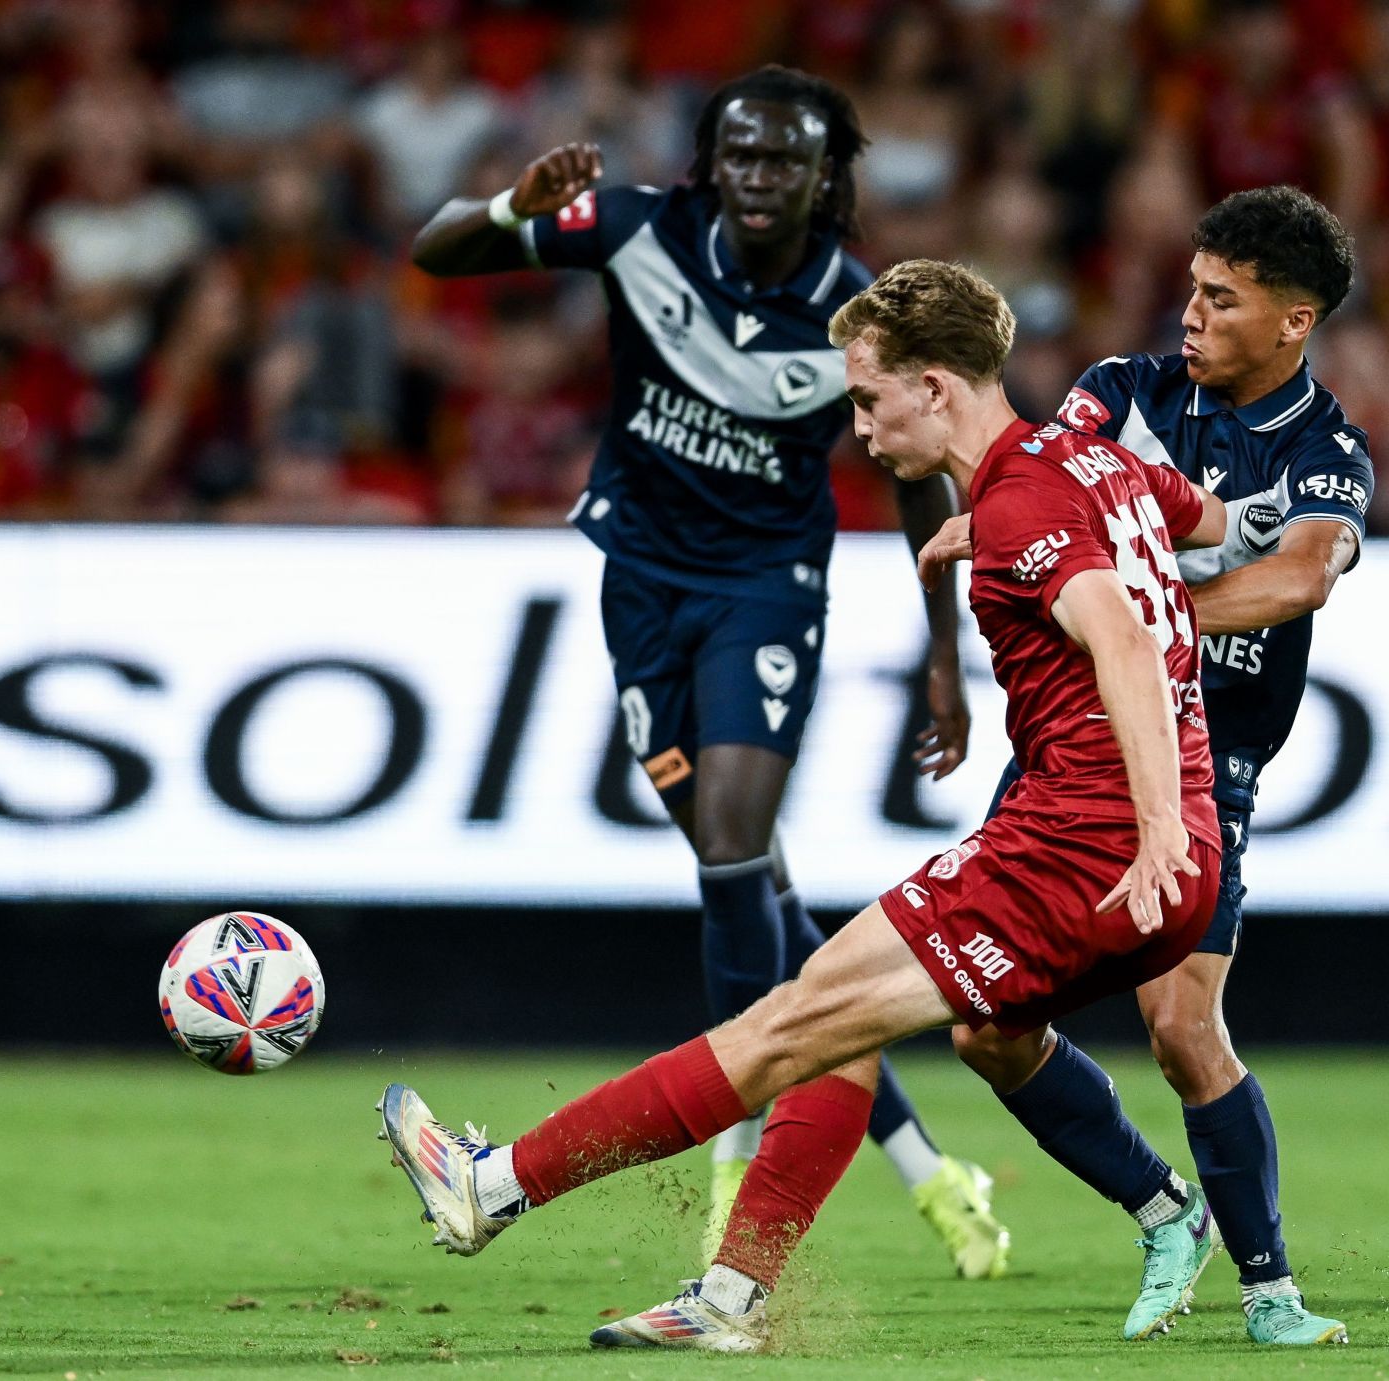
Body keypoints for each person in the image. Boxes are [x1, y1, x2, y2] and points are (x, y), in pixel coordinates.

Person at [378, 257, 1231, 1353]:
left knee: (786, 1023)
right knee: (886, 1025)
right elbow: (1210, 521)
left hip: (1088, 846)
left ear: (936, 386)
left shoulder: (1025, 503)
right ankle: (739, 1298)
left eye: (871, 398)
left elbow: (1116, 633)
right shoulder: (1090, 464)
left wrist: (1149, 814)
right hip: (1174, 861)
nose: (862, 431)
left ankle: (489, 1186)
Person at [405, 65, 1006, 1276]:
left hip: (764, 591)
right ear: (711, 158)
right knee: (763, 907)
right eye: (739, 153)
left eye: (784, 159)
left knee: (735, 845)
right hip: (641, 583)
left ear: (824, 174)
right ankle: (931, 1169)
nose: (758, 177)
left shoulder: (858, 310)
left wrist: (945, 652)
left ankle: (736, 1165)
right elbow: (436, 253)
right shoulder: (637, 228)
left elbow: (916, 478)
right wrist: (509, 209)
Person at [920, 186, 1369, 1345]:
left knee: (1179, 1025)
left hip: (1204, 761)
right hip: (1073, 750)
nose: (1195, 314)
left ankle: (1271, 1294)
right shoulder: (1121, 394)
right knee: (983, 1026)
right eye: (1193, 289)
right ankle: (1164, 1208)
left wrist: (1155, 606)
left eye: (1224, 299)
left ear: (1294, 320)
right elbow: (1033, 497)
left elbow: (1304, 576)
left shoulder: (1327, 449)